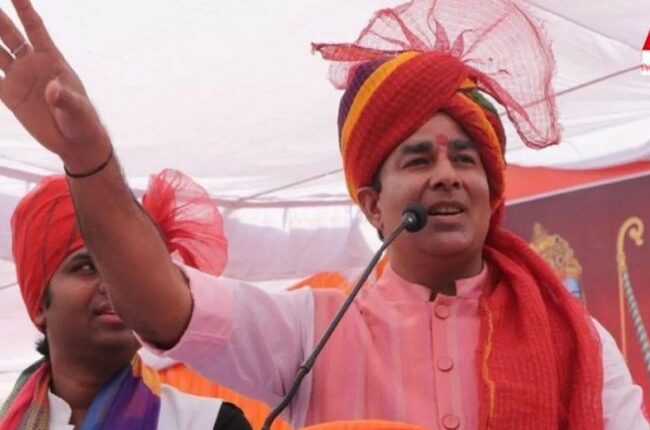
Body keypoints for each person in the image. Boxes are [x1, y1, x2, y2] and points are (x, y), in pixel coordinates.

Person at [0, 0, 647, 429]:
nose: (448, 174)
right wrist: (88, 157)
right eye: (418, 159)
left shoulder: (579, 342)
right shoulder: (313, 328)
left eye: (466, 158)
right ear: (372, 203)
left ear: (492, 187)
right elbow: (159, 303)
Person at [0, 172, 251, 430]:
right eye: (87, 267)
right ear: (40, 304)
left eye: (130, 269)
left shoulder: (210, 424)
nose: (116, 283)